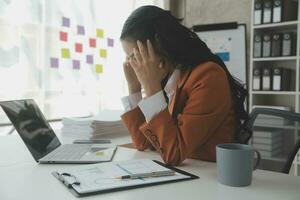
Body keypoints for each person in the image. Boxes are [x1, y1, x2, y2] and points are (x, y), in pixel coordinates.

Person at [120, 6, 249, 166]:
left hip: (209, 177)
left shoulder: (208, 76)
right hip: (189, 174)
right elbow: (144, 143)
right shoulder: (169, 77)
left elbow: (174, 153)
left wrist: (151, 88)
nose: (133, 65)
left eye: (135, 57)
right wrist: (134, 88)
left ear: (157, 47)